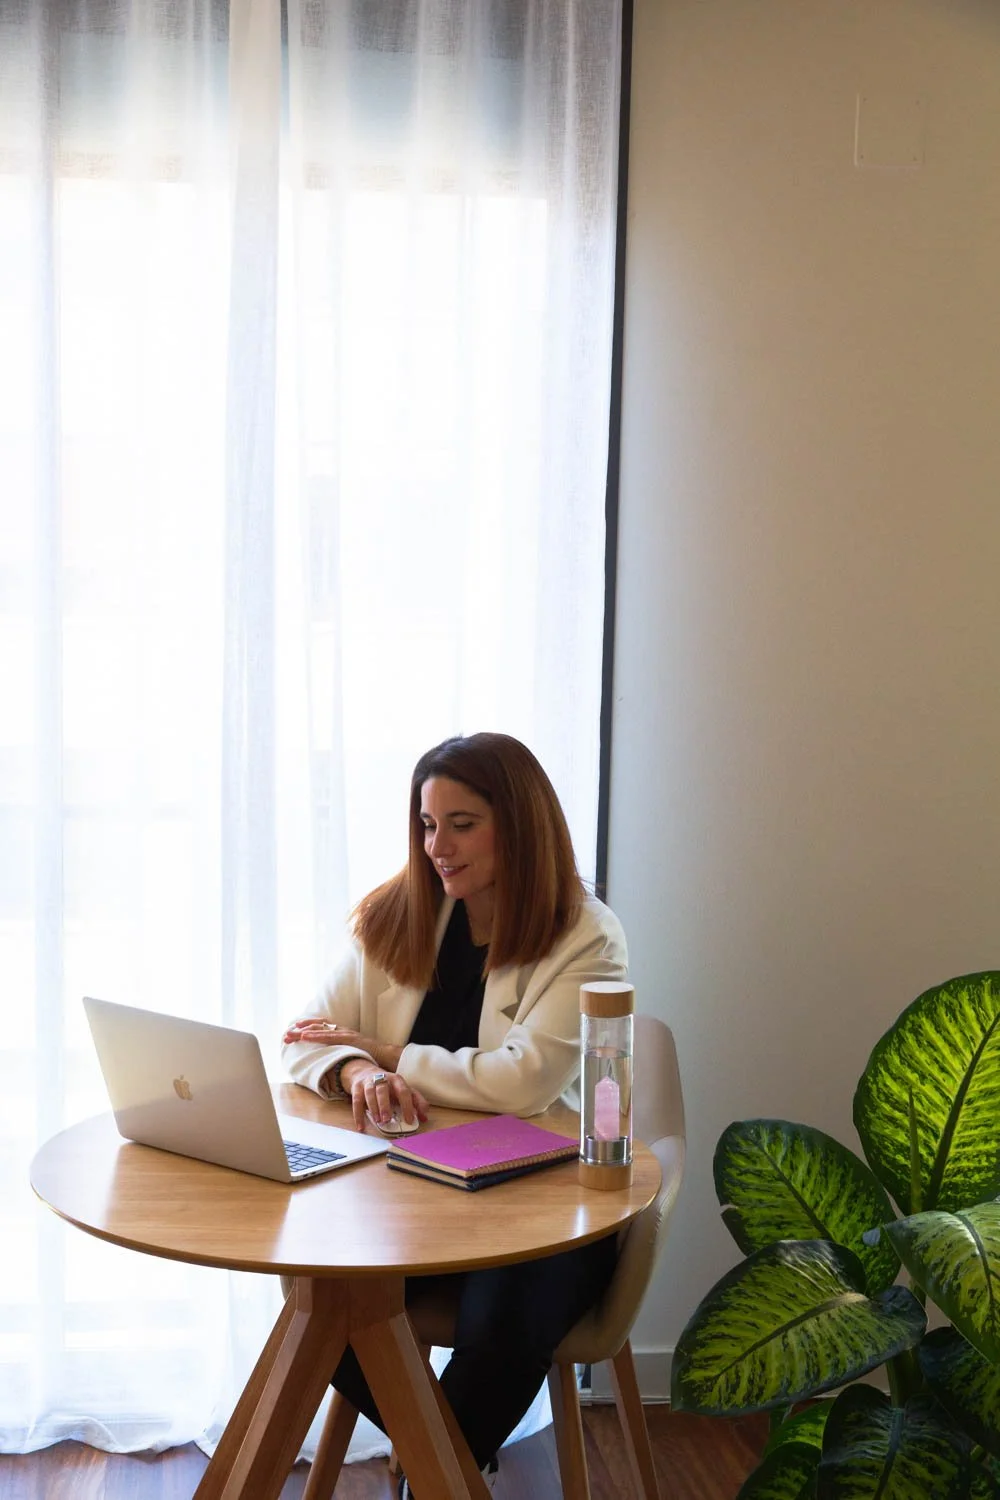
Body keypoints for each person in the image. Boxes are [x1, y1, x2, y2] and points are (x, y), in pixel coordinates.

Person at [282, 732, 627, 1495]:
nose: (438, 845)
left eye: (462, 823)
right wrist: (355, 1066)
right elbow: (305, 1039)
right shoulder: (398, 913)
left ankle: (434, 1468)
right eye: (428, 824)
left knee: (504, 1320)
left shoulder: (587, 936)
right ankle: (444, 1460)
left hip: (541, 1199)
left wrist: (386, 1049)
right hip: (410, 1195)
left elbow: (522, 1084)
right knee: (319, 1299)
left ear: (521, 822)